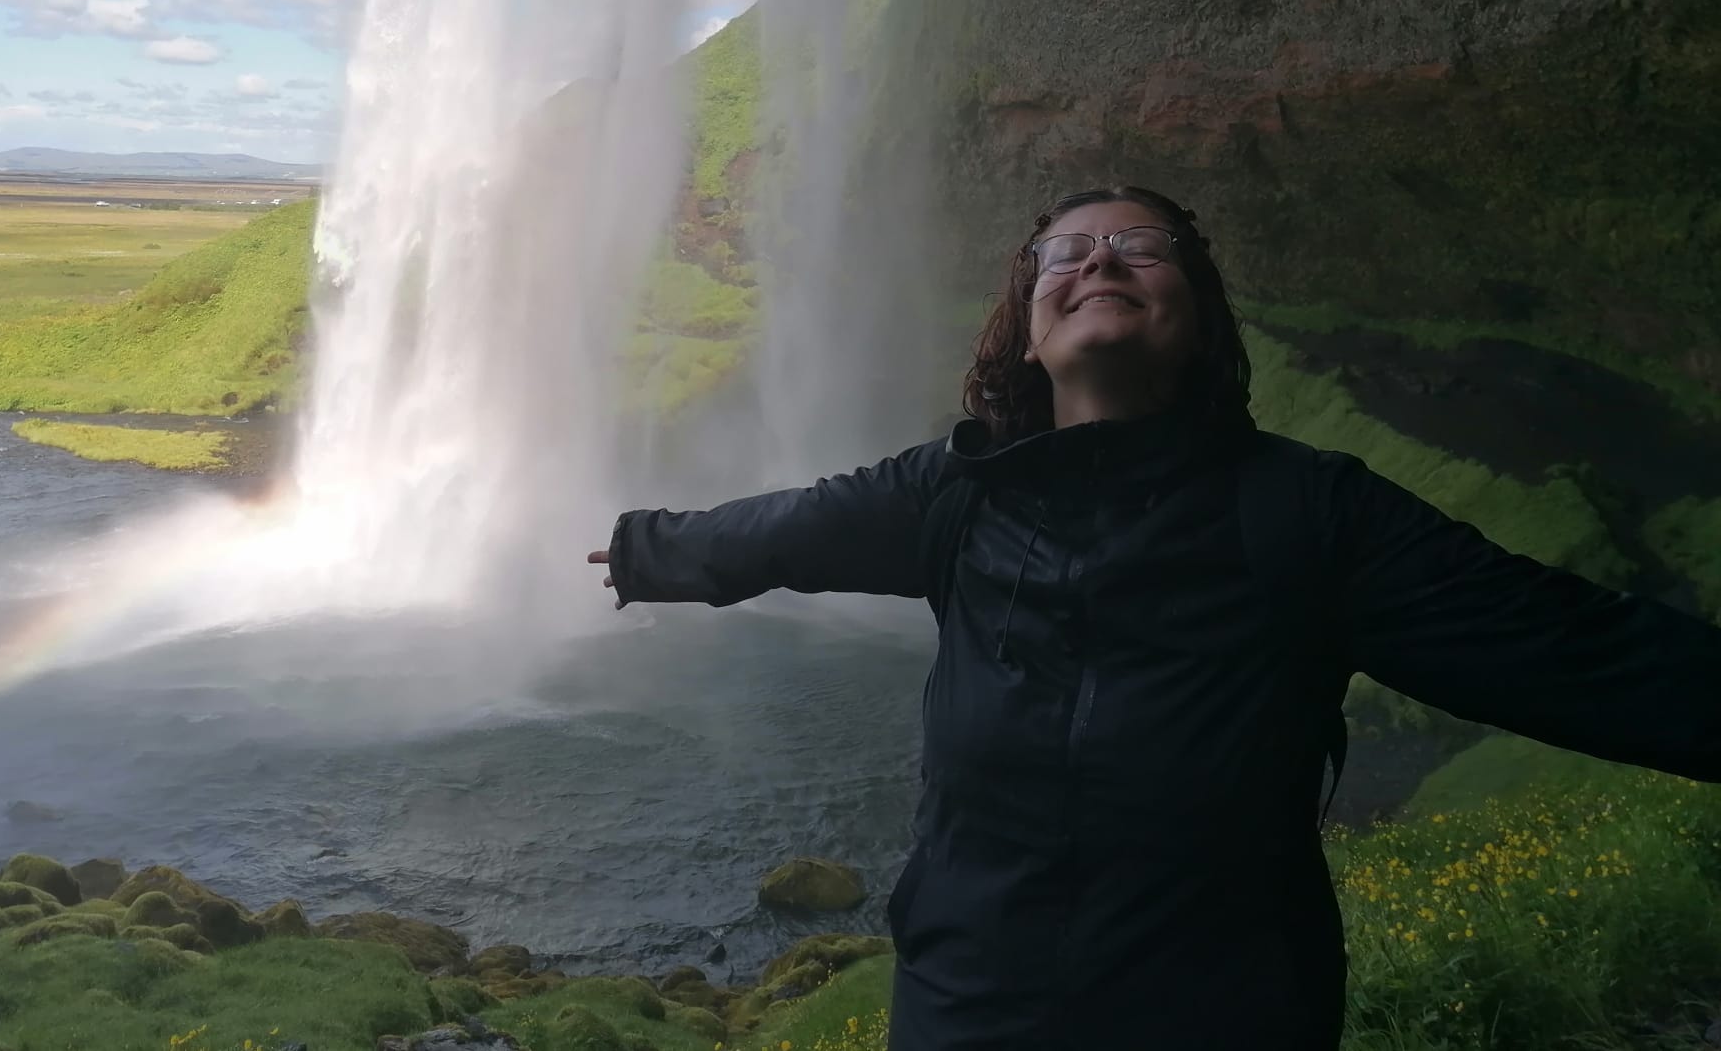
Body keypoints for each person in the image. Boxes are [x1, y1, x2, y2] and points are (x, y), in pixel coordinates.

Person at [587, 185, 1721, 1049]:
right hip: (968, 1004)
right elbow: (788, 530)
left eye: (1139, 247)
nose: (1097, 262)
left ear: (1199, 317)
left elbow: (1565, 647)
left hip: (1218, 1011)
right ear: (1024, 328)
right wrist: (646, 551)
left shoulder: (1306, 511)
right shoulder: (957, 493)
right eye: (1062, 253)